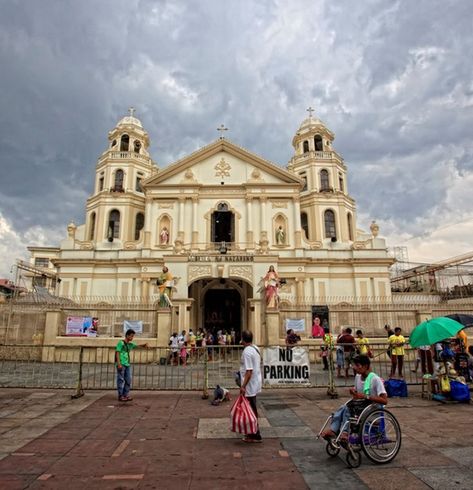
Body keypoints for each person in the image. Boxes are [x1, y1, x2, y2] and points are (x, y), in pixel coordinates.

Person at [320, 355, 388, 442]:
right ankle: (334, 430)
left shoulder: (375, 380)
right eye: (355, 365)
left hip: (372, 409)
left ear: (366, 366)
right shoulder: (358, 377)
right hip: (360, 406)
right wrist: (354, 393)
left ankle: (343, 432)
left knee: (348, 409)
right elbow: (356, 398)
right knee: (344, 407)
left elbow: (385, 401)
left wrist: (366, 396)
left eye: (358, 365)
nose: (355, 368)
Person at [239, 330, 262, 443]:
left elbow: (249, 371)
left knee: (251, 410)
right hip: (255, 382)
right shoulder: (255, 348)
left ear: (243, 339)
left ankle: (255, 434)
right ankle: (253, 431)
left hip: (250, 384)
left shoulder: (247, 352)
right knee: (252, 408)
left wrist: (243, 386)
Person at [115, 328, 149, 402]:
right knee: (120, 379)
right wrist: (119, 363)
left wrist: (144, 345)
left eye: (133, 336)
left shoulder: (130, 344)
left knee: (128, 380)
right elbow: (117, 352)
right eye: (131, 336)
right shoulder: (121, 343)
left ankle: (125, 394)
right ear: (127, 335)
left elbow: (137, 346)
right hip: (121, 363)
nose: (132, 338)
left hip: (127, 364)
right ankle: (120, 395)